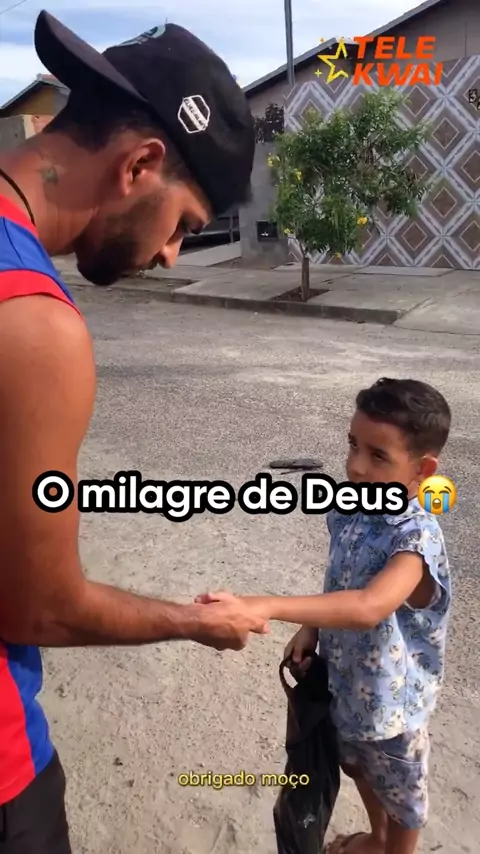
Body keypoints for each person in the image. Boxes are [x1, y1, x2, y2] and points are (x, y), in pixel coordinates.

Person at [0, 10, 267, 853]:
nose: (172, 255)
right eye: (184, 223)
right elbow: (40, 607)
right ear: (140, 165)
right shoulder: (32, 321)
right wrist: (196, 623)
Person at [198, 378, 452, 854]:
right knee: (356, 766)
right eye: (353, 445)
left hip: (391, 707)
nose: (356, 466)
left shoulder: (416, 536)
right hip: (344, 683)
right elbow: (341, 578)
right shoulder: (350, 508)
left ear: (422, 469)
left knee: (403, 799)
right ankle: (377, 838)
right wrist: (310, 625)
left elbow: (368, 606)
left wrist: (267, 604)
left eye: (378, 456)